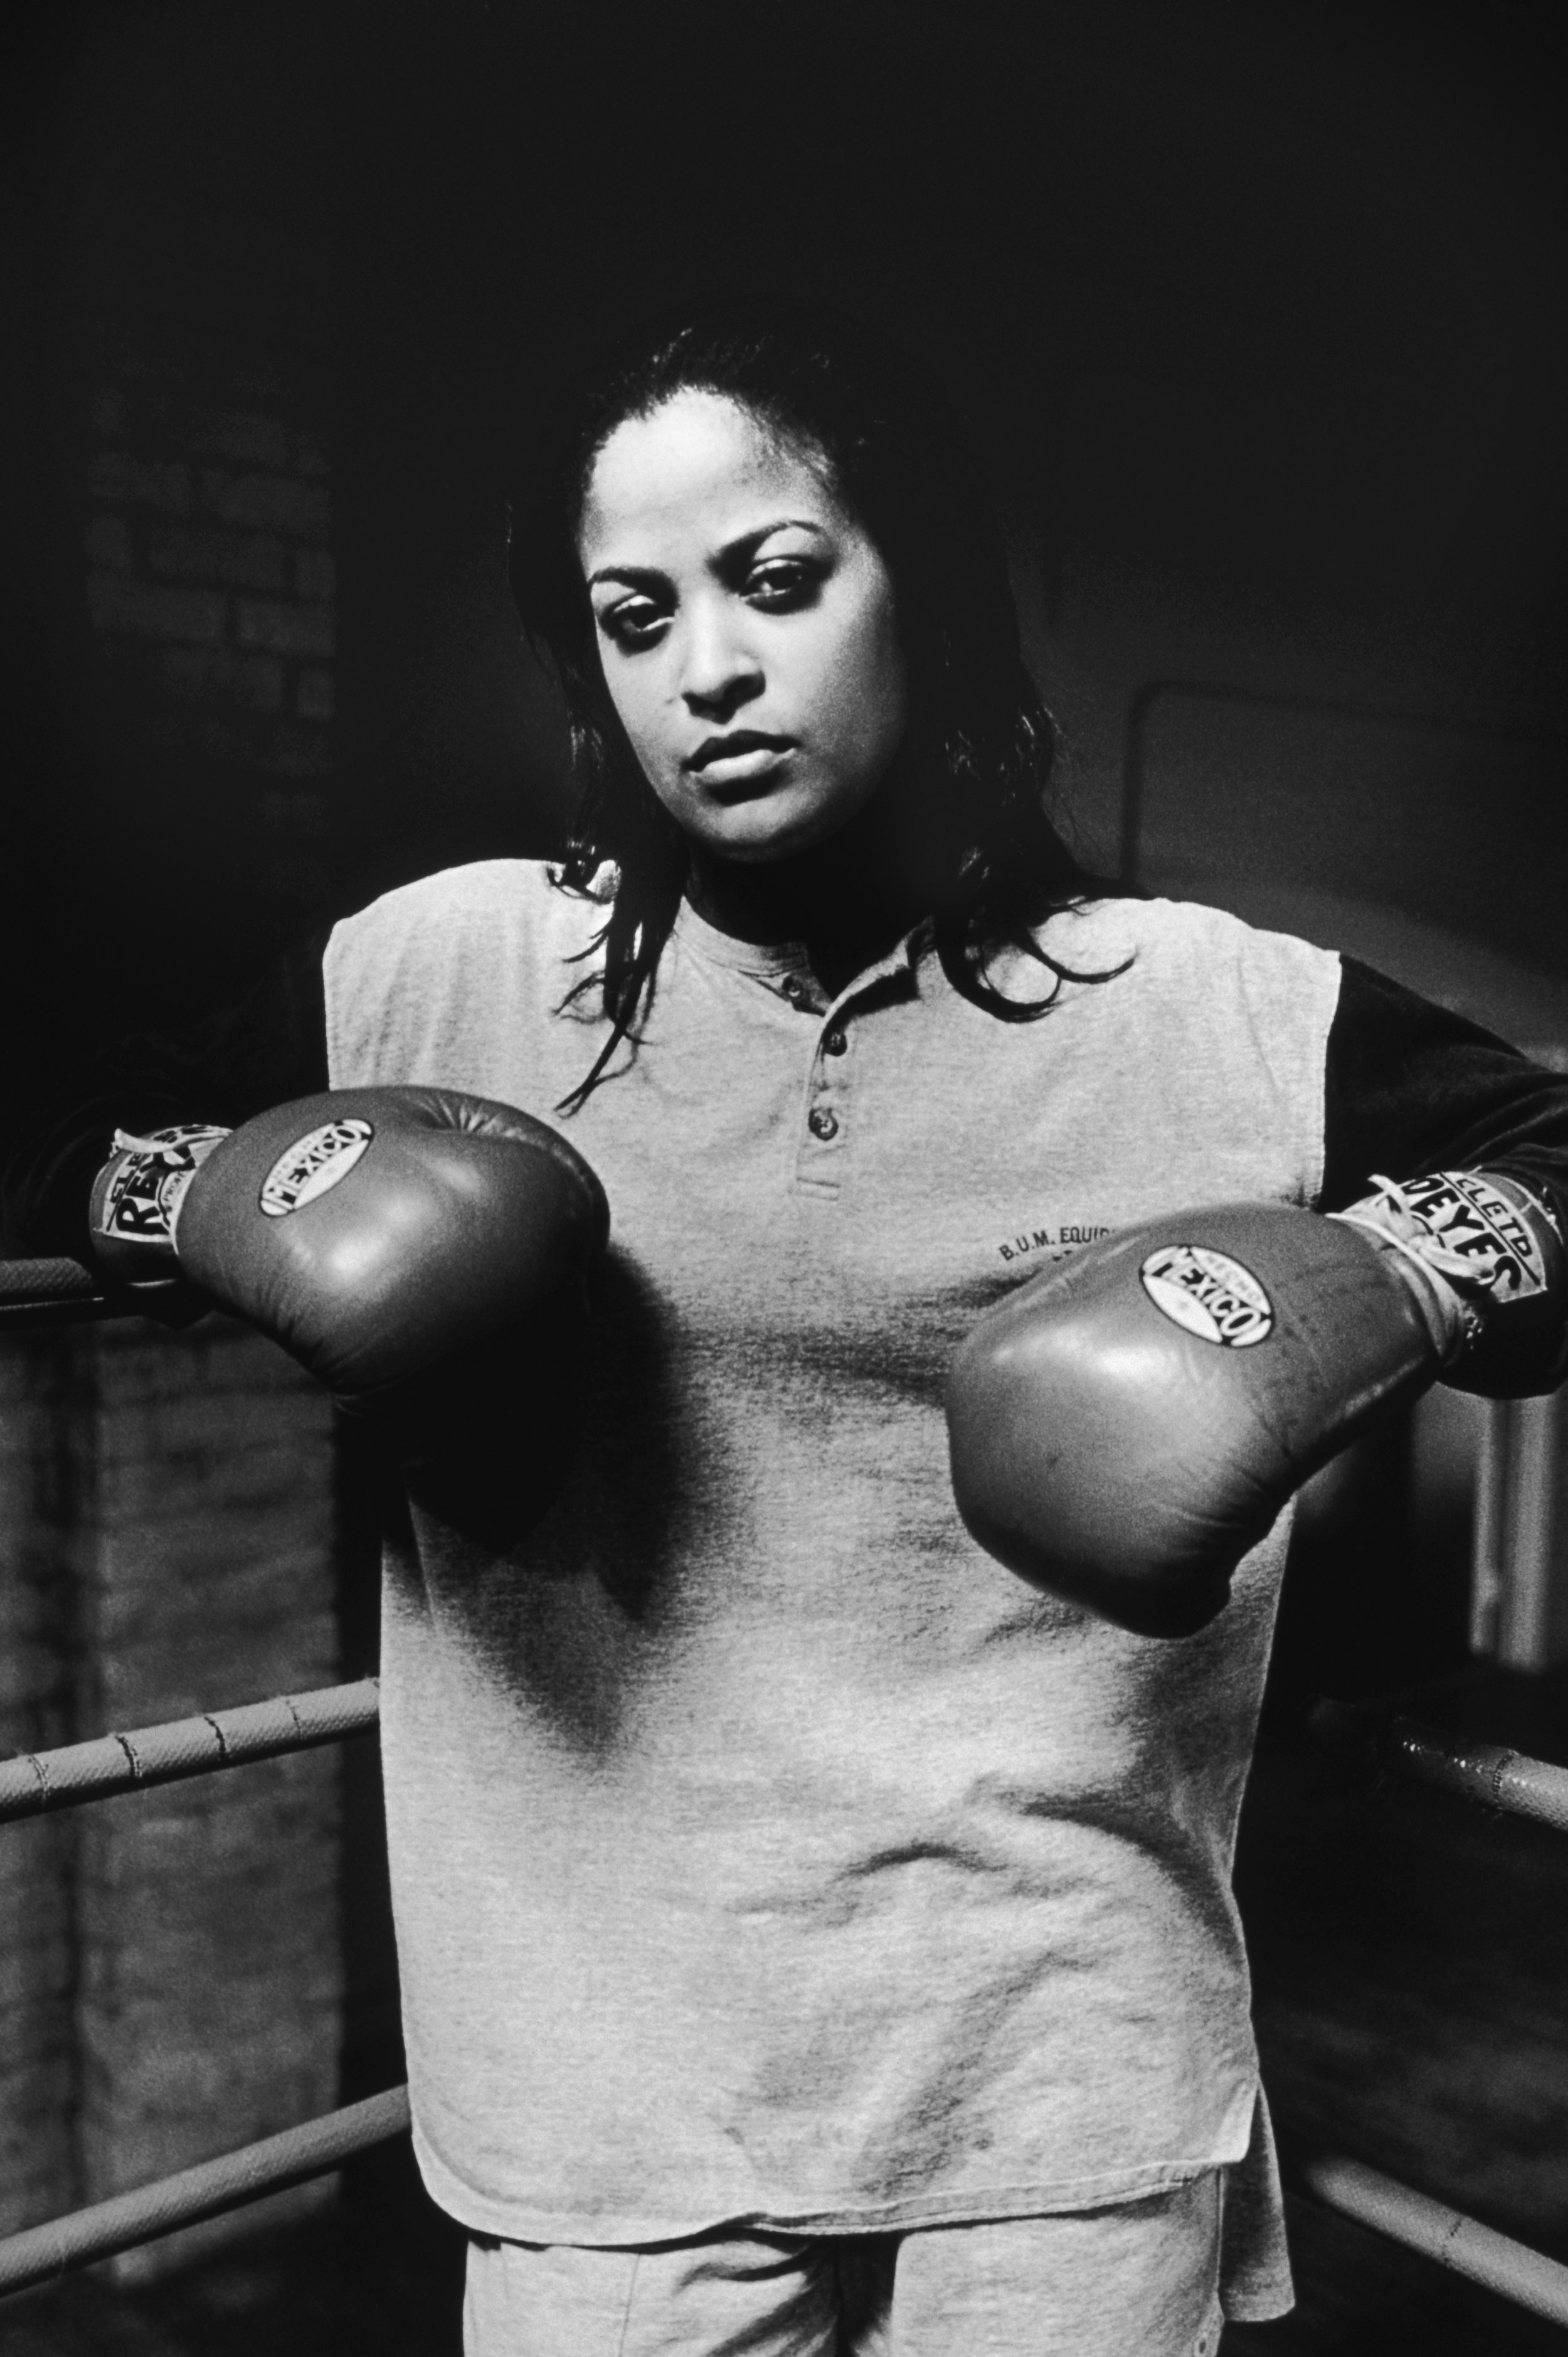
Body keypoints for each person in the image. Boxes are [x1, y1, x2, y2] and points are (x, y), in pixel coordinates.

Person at [8, 298, 1568, 2356]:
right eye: (632, 618)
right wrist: (183, 1191)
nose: (709, 671)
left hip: (1059, 2062)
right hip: (601, 2082)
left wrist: (1403, 1269)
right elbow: (47, 1131)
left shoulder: (1203, 1007)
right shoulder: (440, 973)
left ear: (917, 583)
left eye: (771, 581)